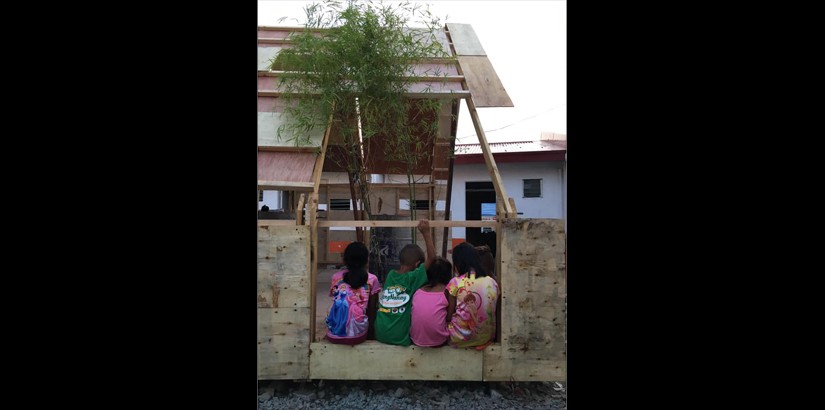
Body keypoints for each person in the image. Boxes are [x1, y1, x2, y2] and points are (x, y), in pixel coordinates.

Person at [375, 220, 435, 346]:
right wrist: (426, 233)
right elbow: (432, 258)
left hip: (380, 333)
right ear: (418, 264)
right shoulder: (413, 277)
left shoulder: (391, 275)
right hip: (398, 336)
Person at [325, 242, 382, 345]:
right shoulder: (372, 279)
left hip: (333, 335)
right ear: (366, 260)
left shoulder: (336, 277)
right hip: (358, 336)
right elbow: (372, 310)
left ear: (344, 260)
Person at [447, 242, 499, 349]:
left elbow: (449, 315)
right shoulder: (492, 282)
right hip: (486, 338)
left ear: (457, 264)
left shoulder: (455, 282)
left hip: (459, 339)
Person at [410, 256, 453, 347]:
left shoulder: (418, 291)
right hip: (439, 340)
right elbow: (449, 317)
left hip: (416, 339)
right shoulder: (446, 292)